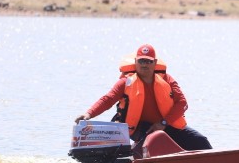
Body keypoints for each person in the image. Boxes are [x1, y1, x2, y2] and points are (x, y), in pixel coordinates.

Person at [74, 44, 212, 153]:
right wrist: (88, 114)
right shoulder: (125, 82)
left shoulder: (167, 80)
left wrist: (164, 123)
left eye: (148, 61)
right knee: (157, 140)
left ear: (155, 62)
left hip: (165, 124)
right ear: (136, 61)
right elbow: (108, 99)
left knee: (201, 141)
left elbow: (182, 103)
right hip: (138, 128)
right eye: (141, 61)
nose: (144, 64)